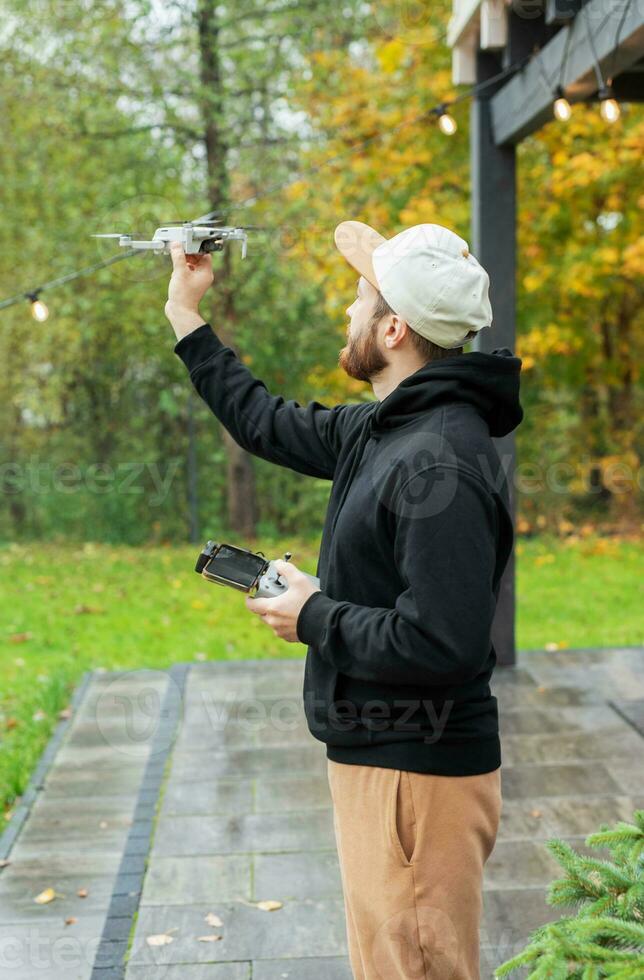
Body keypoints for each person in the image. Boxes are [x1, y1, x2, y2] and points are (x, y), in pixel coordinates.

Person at [165, 220, 524, 980]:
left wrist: (313, 614)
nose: (347, 314)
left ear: (392, 328)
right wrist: (187, 318)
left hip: (418, 778)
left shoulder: (441, 462)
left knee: (416, 970)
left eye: (359, 299)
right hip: (381, 763)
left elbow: (444, 642)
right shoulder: (386, 429)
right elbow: (265, 421)